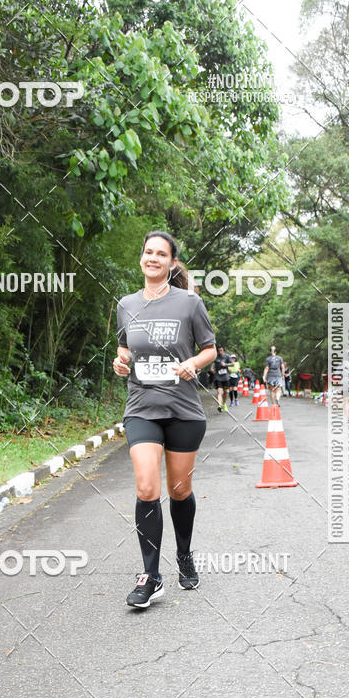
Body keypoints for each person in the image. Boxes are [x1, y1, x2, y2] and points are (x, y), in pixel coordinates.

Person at [114, 230, 217, 608]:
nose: (153, 258)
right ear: (141, 258)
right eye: (148, 252)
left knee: (179, 490)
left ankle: (185, 555)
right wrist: (121, 363)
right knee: (146, 487)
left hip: (183, 410)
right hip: (142, 406)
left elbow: (210, 349)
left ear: (172, 262)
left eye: (161, 254)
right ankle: (151, 575)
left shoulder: (189, 303)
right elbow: (125, 349)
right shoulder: (126, 304)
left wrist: (191, 363)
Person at [212, 345, 231, 412]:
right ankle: (219, 405)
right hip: (218, 377)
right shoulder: (216, 357)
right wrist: (212, 368)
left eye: (221, 350)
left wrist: (226, 364)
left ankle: (224, 404)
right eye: (219, 350)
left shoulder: (227, 356)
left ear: (224, 350)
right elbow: (212, 364)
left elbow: (233, 364)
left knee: (226, 392)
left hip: (225, 377)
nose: (220, 352)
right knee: (219, 392)